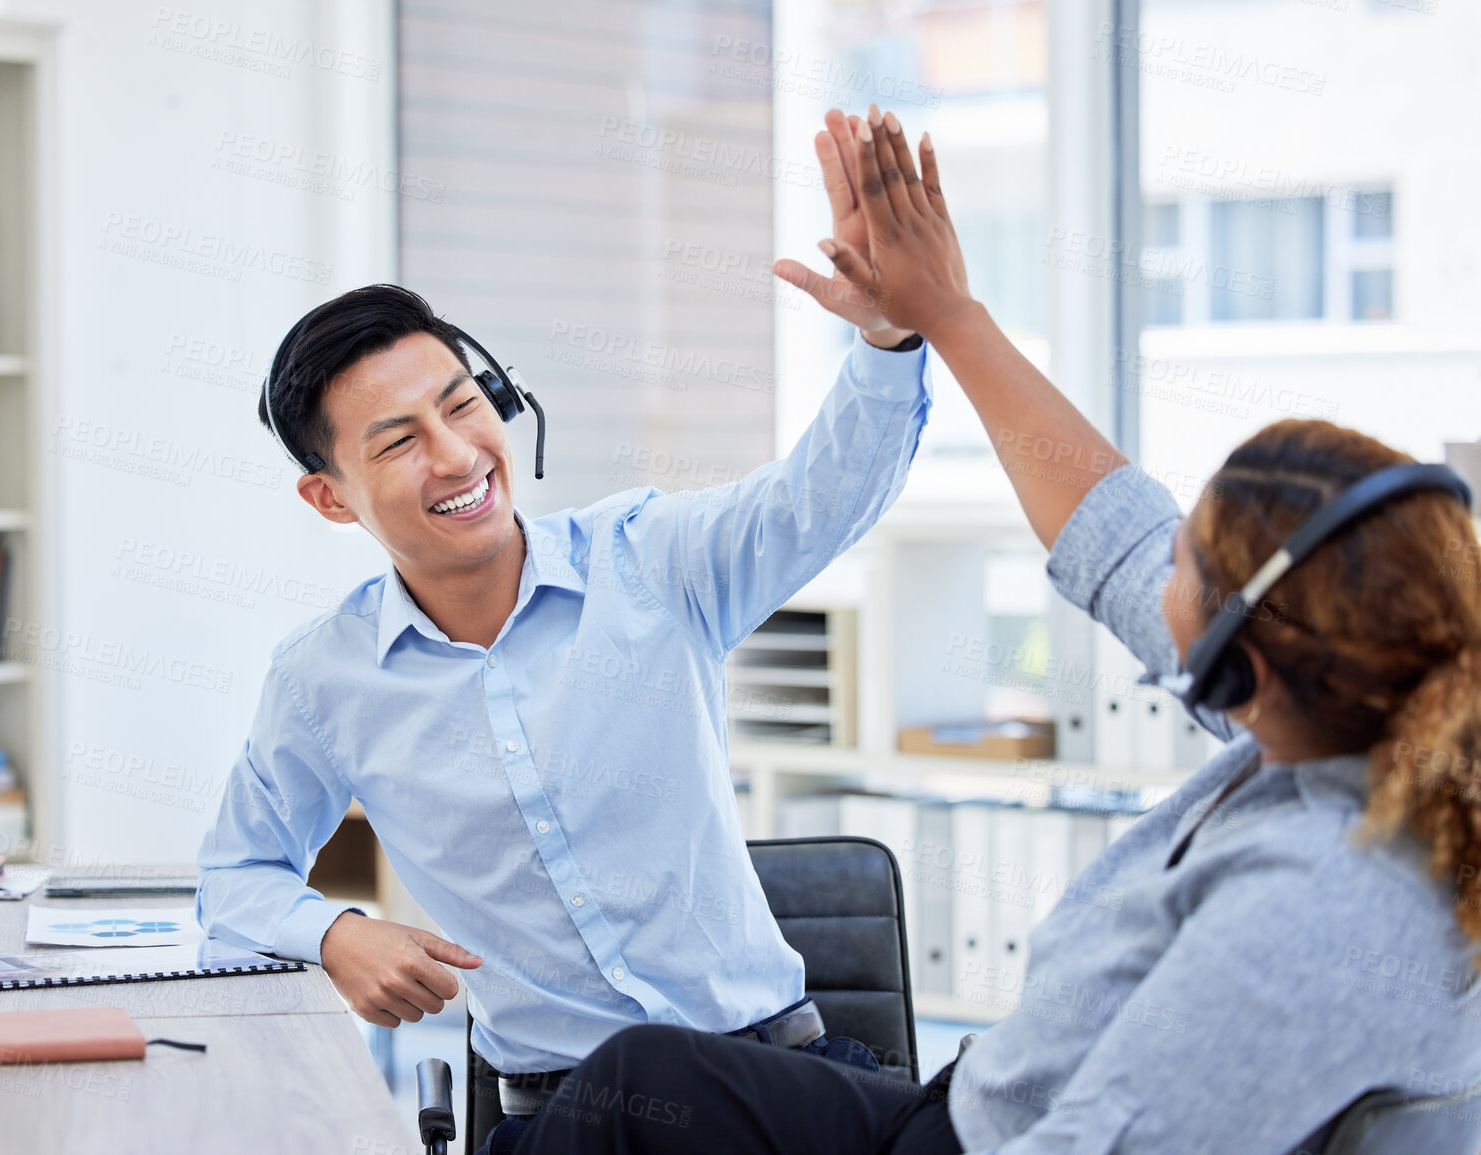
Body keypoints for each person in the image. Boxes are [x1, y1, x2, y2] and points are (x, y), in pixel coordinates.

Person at [512, 104, 1481, 1155]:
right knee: (632, 1084)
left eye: (1187, 567)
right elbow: (1116, 532)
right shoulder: (1363, 738)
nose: (1157, 573)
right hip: (970, 1107)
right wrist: (948, 317)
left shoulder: (1309, 917)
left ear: (1244, 654)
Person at [192, 189, 935, 1148]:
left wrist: (886, 342)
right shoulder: (321, 681)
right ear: (330, 498)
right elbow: (234, 877)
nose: (458, 455)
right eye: (400, 441)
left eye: (463, 406)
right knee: (638, 1075)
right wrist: (335, 932)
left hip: (769, 1083)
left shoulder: (651, 561)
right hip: (568, 1125)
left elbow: (816, 499)